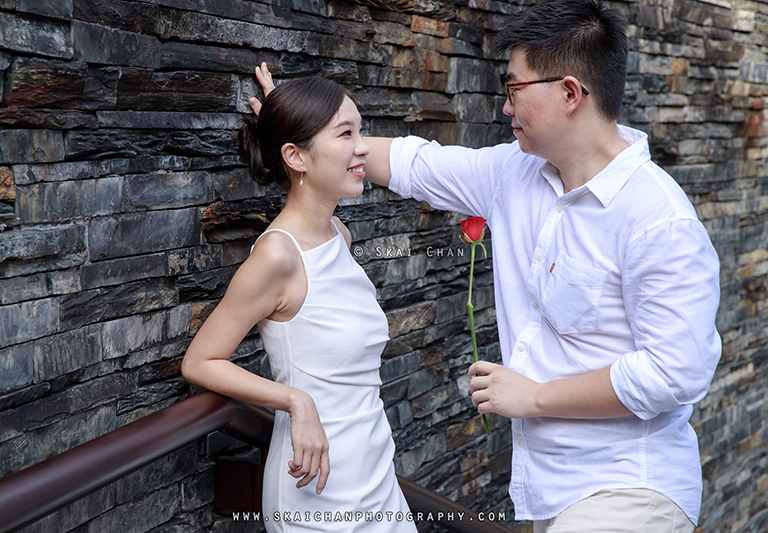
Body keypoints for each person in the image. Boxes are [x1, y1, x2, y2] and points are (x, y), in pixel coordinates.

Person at [251, 1, 721, 531]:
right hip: (551, 492)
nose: (504, 106)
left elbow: (675, 371)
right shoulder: (514, 173)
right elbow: (415, 164)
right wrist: (304, 133)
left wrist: (535, 396)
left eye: (514, 89)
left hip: (631, 488)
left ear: (569, 93)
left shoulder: (657, 218)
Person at [182, 74, 417, 532]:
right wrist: (295, 401)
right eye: (346, 134)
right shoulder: (278, 257)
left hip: (376, 477)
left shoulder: (338, 235)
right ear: (295, 156)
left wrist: (289, 118)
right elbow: (200, 361)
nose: (363, 147)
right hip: (315, 492)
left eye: (360, 130)